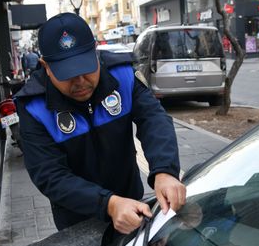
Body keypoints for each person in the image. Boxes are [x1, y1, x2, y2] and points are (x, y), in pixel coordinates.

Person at [15, 13, 186, 234]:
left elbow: (154, 119)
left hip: (132, 202)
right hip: (77, 218)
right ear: (45, 66)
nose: (80, 82)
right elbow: (49, 175)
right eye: (68, 75)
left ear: (95, 51)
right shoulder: (34, 107)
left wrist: (165, 171)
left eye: (86, 68)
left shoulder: (122, 75)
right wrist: (109, 204)